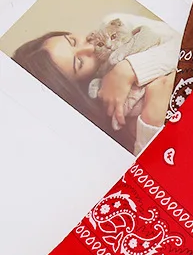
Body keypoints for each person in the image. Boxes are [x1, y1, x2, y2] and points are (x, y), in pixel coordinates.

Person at [12, 13, 179, 155]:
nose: (90, 48)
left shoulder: (114, 24)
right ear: (79, 88)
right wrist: (151, 122)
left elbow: (183, 39)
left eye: (73, 41)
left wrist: (128, 69)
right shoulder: (103, 125)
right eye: (79, 62)